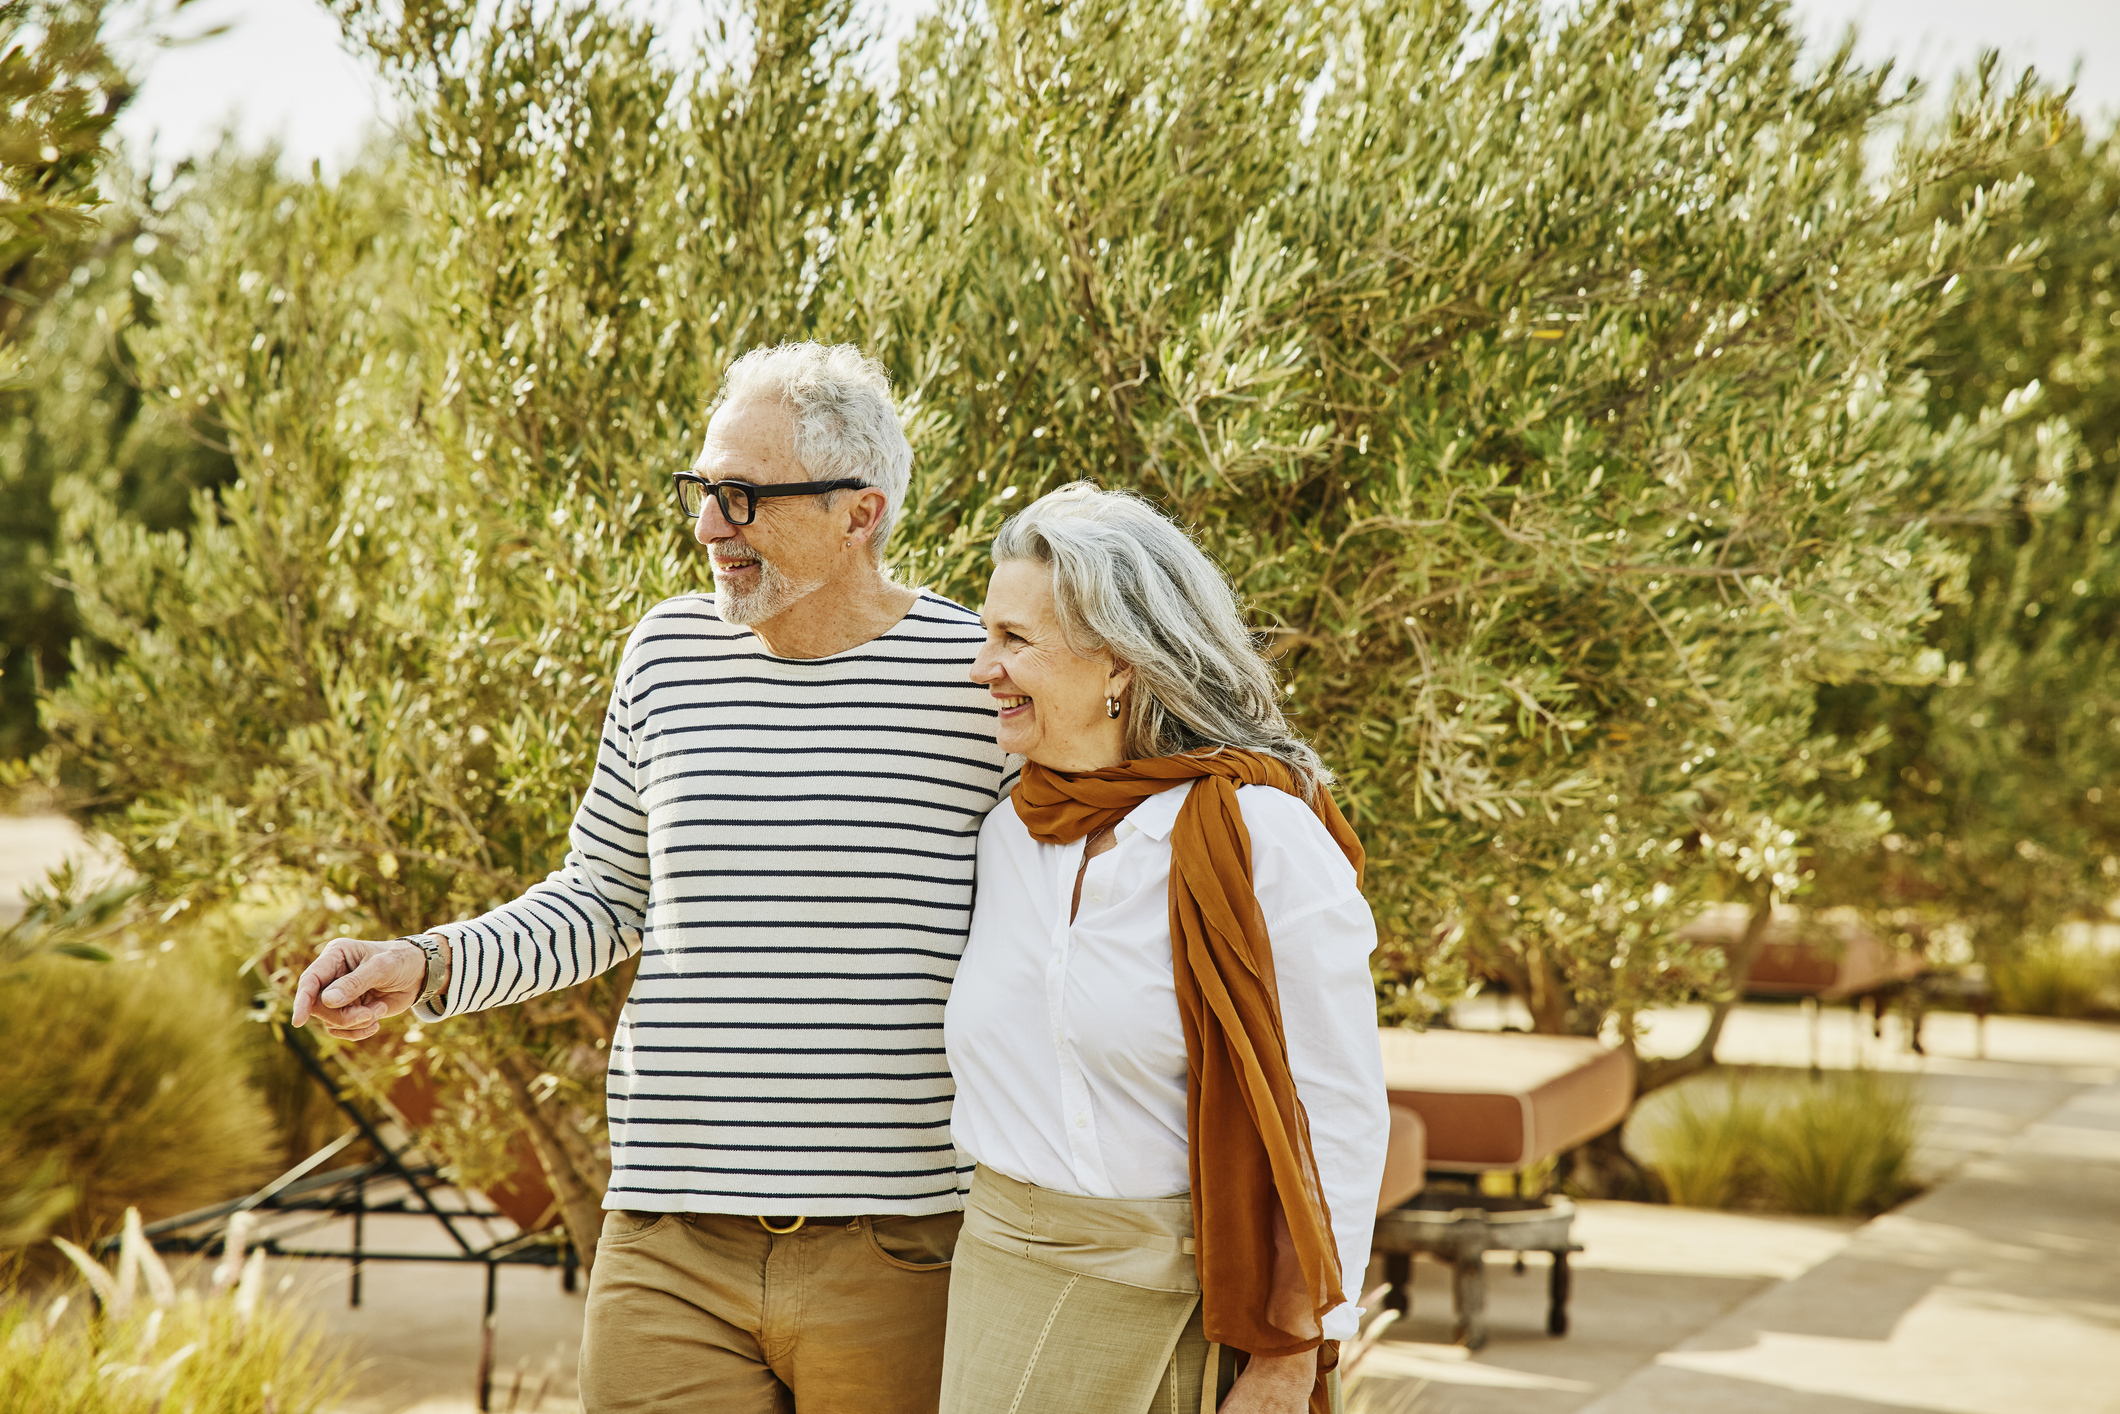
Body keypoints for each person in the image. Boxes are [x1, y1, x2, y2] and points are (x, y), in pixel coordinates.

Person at [290, 342, 1010, 1414]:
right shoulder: (664, 656)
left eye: (741, 497)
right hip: (666, 1250)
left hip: (900, 1250)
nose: (709, 526)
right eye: (701, 491)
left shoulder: (977, 683)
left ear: (861, 513)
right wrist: (425, 964)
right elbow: (601, 896)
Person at [942, 483, 1388, 1414]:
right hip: (992, 1289)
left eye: (1014, 641)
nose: (983, 667)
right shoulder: (1006, 836)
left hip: (1172, 1310)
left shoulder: (1259, 837)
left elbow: (1336, 1114)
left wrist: (1291, 1359)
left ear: (1119, 664)